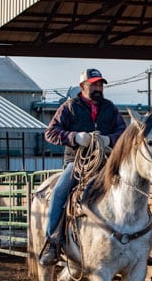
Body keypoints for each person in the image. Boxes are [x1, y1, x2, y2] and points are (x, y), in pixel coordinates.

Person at [38, 68, 126, 266]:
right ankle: (52, 241)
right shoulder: (70, 107)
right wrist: (74, 137)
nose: (98, 88)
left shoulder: (110, 108)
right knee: (60, 191)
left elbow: (123, 132)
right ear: (82, 86)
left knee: (131, 187)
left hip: (106, 161)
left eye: (100, 84)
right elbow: (50, 132)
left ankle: (137, 243)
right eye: (93, 84)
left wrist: (108, 139)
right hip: (77, 162)